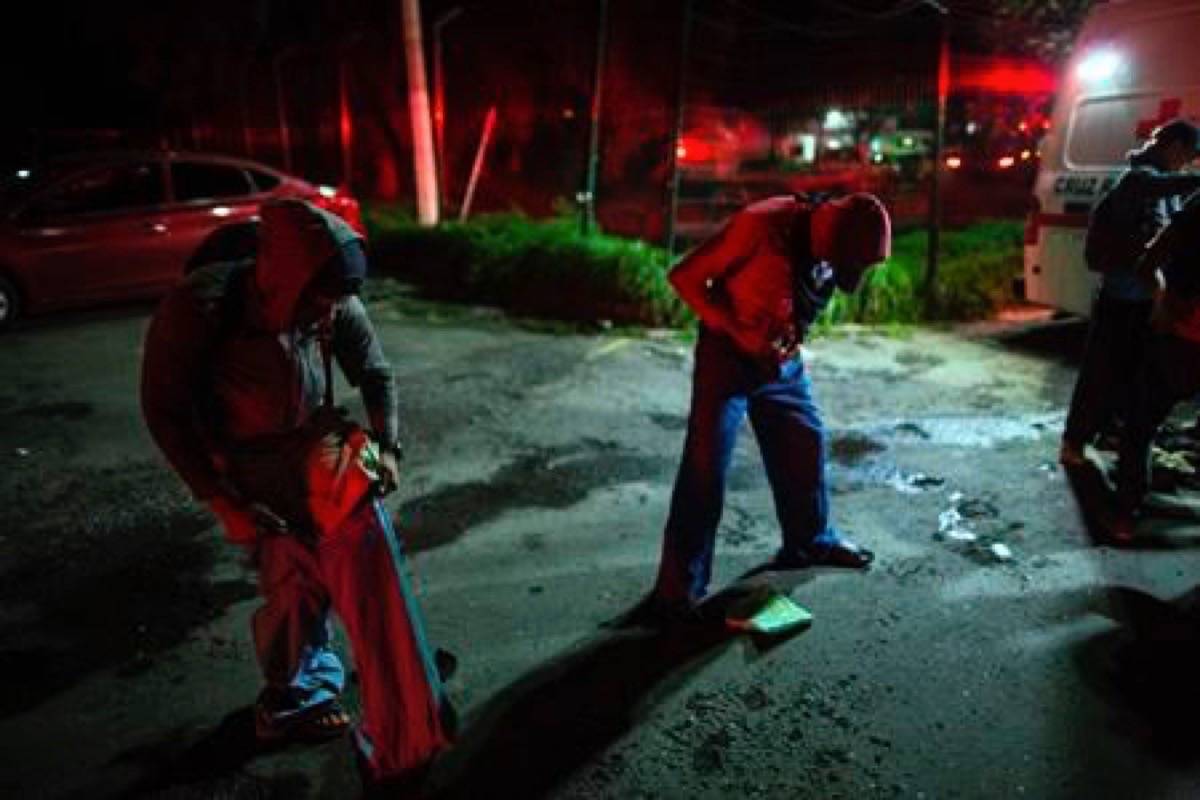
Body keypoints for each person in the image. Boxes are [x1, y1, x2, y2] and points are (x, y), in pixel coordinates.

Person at [141, 198, 452, 787]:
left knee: (366, 555)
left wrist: (387, 447)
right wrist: (222, 500)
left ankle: (404, 699)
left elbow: (376, 373)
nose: (330, 310)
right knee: (290, 584)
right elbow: (164, 412)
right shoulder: (200, 309)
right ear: (282, 276)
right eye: (319, 297)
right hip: (243, 463)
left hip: (317, 445)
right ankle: (296, 698)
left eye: (338, 297)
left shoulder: (332, 298)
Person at [648, 192, 892, 619]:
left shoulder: (828, 248)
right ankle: (678, 588)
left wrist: (788, 335)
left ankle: (810, 541)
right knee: (706, 465)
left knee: (805, 438)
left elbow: (798, 292)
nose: (837, 272)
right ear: (825, 229)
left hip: (779, 358)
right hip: (727, 354)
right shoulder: (759, 225)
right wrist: (739, 330)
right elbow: (684, 277)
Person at [1060, 118, 1200, 467]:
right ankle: (1074, 443)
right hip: (1121, 296)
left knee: (1128, 375)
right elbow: (1162, 190)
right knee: (1100, 371)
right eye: (1189, 156)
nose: (1188, 163)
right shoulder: (1138, 178)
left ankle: (1106, 433)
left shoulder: (1154, 180)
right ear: (1175, 147)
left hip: (1143, 298)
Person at [1112, 187, 1200, 542]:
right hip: (1179, 338)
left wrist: (1163, 302)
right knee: (1141, 422)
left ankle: (1125, 514)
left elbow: (1148, 262)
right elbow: (1149, 263)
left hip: (1178, 336)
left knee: (1140, 424)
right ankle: (1126, 511)